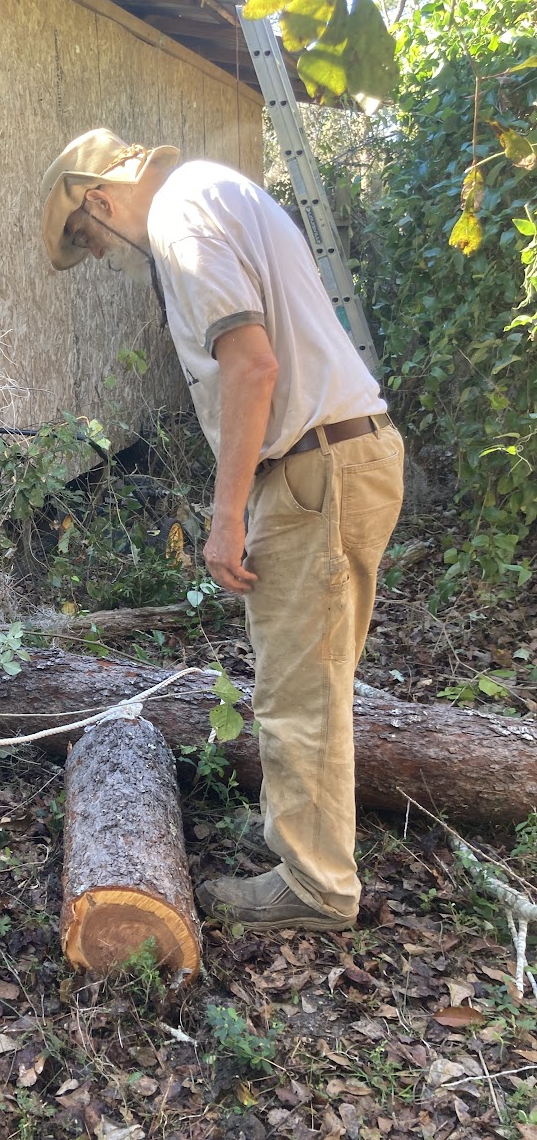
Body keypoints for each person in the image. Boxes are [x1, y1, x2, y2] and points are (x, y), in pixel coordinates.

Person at [40, 129, 404, 931]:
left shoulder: (179, 220)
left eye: (93, 239)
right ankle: (295, 830)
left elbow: (251, 365)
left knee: (295, 688)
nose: (103, 253)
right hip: (348, 454)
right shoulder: (218, 190)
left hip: (312, 470)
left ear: (100, 197)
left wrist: (226, 513)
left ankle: (314, 888)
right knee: (312, 673)